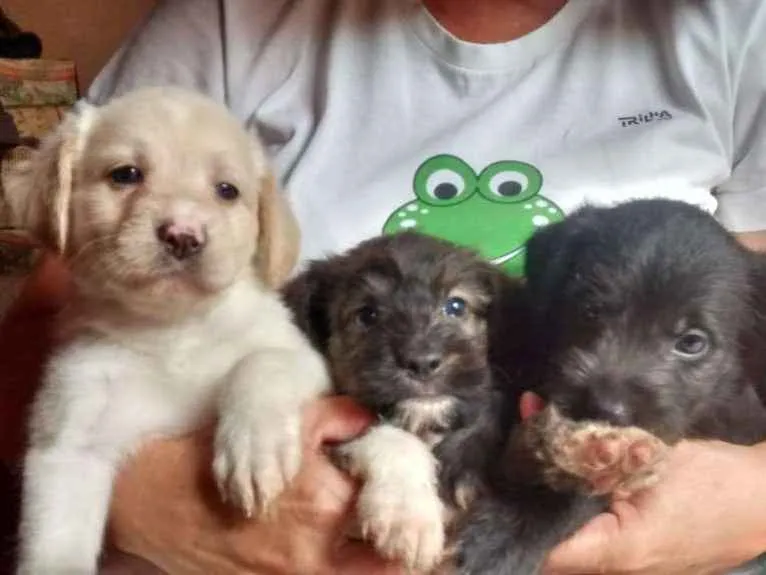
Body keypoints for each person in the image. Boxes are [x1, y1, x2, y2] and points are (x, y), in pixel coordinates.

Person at [3, 0, 766, 573]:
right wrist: (151, 501)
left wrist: (748, 501)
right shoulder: (228, 18)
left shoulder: (733, 25)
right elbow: (39, 344)